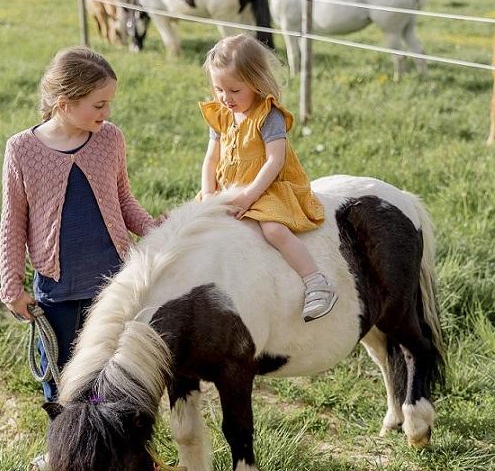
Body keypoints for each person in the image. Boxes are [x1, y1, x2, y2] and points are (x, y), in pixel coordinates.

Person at [0, 46, 163, 413]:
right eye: (99, 104)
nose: (107, 113)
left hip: (112, 283)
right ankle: (63, 450)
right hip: (57, 289)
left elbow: (124, 201)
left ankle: (111, 450)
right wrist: (11, 287)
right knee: (58, 375)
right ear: (64, 102)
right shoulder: (23, 149)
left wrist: (154, 230)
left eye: (109, 103)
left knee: (109, 372)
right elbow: (12, 222)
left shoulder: (110, 139)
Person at [199, 34, 337, 322]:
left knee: (273, 230)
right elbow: (211, 158)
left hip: (266, 187)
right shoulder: (221, 114)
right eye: (219, 89)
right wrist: (208, 194)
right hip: (227, 189)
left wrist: (249, 196)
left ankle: (316, 283)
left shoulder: (268, 115)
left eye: (234, 90)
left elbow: (276, 160)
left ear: (256, 82)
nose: (226, 98)